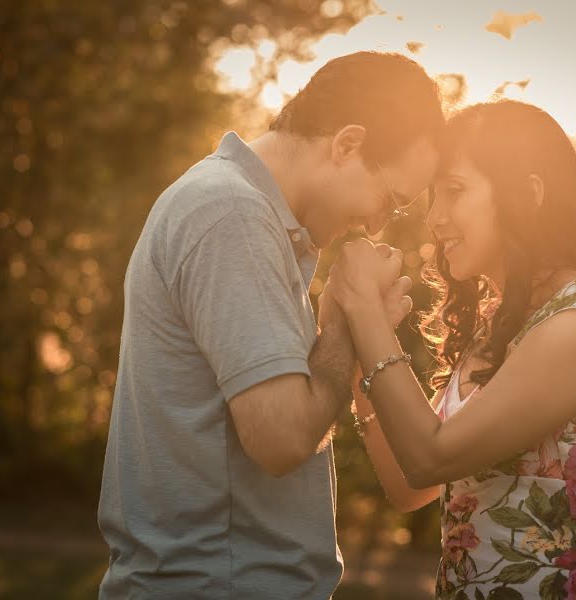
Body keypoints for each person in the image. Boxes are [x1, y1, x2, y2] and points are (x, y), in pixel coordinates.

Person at [97, 51, 443, 599]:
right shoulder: (232, 215)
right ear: (347, 144)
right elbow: (280, 438)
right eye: (391, 199)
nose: (379, 222)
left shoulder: (247, 216)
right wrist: (351, 322)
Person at [328, 100, 576, 599]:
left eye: (454, 191)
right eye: (435, 195)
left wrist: (366, 311)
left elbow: (428, 457)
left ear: (527, 193)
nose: (434, 217)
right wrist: (362, 352)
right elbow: (411, 486)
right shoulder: (503, 327)